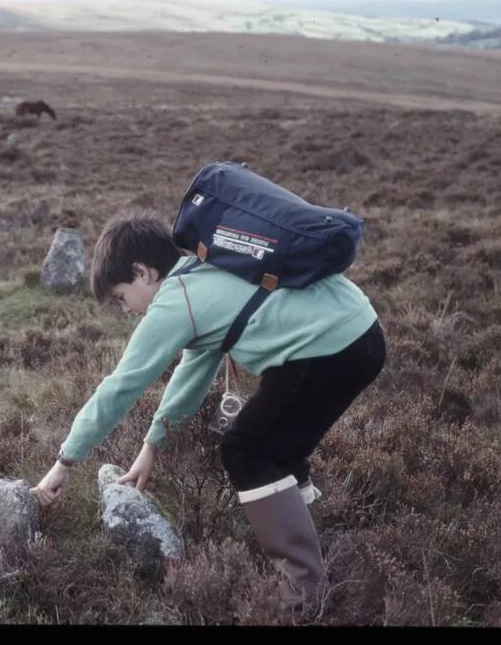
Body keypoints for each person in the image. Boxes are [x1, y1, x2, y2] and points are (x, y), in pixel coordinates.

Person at [31, 209, 386, 608]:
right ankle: (322, 554)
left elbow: (120, 387)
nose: (126, 310)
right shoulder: (203, 271)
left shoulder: (175, 300)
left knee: (247, 451)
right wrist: (153, 443)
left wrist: (64, 462)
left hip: (330, 348)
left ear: (142, 272)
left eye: (121, 297)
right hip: (359, 330)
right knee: (281, 448)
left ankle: (303, 596)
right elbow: (195, 369)